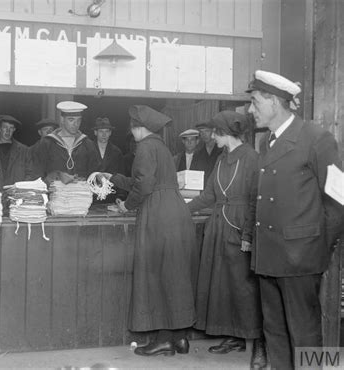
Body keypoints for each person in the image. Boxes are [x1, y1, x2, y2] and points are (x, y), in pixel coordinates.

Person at [247, 70, 343, 369]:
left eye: (255, 102)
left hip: (301, 257)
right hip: (270, 254)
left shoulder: (317, 138)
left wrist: (317, 249)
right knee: (274, 331)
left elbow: (339, 200)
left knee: (306, 332)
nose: (251, 110)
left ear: (275, 102)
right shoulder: (267, 142)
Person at [97, 105, 197, 357]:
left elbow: (144, 185)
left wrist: (126, 206)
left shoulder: (144, 147)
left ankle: (163, 340)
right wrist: (115, 177)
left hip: (157, 214)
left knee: (156, 274)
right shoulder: (161, 148)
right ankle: (180, 338)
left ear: (139, 128)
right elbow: (147, 180)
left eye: (132, 128)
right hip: (174, 211)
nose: (132, 133)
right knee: (174, 273)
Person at [186, 111, 267, 369]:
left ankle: (258, 343)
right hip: (218, 226)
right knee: (223, 284)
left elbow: (257, 200)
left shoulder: (251, 158)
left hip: (239, 226)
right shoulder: (221, 159)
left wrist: (248, 235)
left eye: (213, 132)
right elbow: (208, 196)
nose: (210, 136)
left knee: (244, 288)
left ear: (224, 133)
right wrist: (180, 209)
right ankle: (235, 337)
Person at [33, 101, 99, 182]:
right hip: (54, 192)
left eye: (79, 120)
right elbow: (37, 173)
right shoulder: (47, 143)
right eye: (71, 120)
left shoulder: (87, 144)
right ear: (62, 120)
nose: (76, 124)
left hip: (81, 192)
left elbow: (94, 173)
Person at [0, 114, 33, 191]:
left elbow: (30, 173)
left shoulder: (24, 150)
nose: (8, 131)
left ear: (14, 129)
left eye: (11, 128)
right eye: (5, 127)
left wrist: (21, 189)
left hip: (17, 195)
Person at [92, 117, 125, 203]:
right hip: (91, 196)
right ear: (95, 132)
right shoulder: (87, 149)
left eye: (106, 131)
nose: (104, 134)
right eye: (101, 131)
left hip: (111, 196)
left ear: (110, 133)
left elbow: (121, 174)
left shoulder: (116, 152)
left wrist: (120, 196)